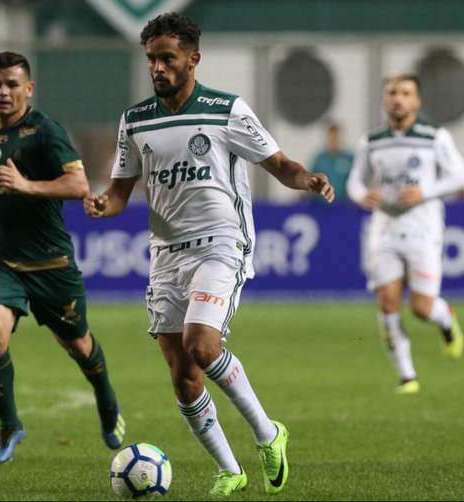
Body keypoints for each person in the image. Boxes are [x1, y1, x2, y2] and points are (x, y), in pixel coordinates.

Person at [83, 13, 333, 497]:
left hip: (223, 243)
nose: (158, 67)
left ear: (193, 59)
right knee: (183, 377)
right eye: (152, 58)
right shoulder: (135, 120)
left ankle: (268, 432)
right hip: (166, 255)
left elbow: (279, 163)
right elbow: (119, 192)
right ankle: (229, 468)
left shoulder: (226, 110)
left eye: (168, 58)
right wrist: (102, 205)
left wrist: (308, 178)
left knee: (202, 345)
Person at [0, 51, 125, 464]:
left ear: (29, 89)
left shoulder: (45, 130)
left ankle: (106, 398)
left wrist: (26, 185)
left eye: (12, 84)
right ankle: (10, 425)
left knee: (79, 346)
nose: (3, 92)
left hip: (50, 262)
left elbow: (79, 184)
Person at [346, 73, 464, 395]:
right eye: (392, 93)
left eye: (405, 93)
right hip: (384, 230)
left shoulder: (434, 137)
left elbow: (460, 176)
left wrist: (425, 191)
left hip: (423, 229)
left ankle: (446, 319)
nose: (398, 98)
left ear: (417, 101)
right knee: (387, 300)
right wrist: (362, 195)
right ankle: (407, 375)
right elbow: (355, 181)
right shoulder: (371, 141)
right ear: (384, 99)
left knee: (421, 307)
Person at [310, 121, 353, 204]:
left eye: (335, 137)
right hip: (321, 204)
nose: (333, 140)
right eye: (331, 137)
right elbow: (311, 180)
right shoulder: (320, 159)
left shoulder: (349, 158)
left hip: (342, 204)